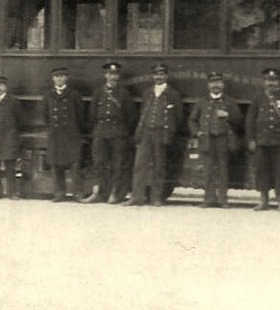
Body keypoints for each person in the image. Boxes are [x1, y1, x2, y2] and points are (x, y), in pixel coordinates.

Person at [127, 63, 184, 207]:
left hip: (161, 133)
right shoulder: (147, 93)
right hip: (146, 132)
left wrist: (168, 133)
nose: (158, 77)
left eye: (161, 74)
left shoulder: (173, 94)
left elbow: (178, 117)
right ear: (153, 76)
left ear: (166, 76)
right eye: (156, 74)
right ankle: (137, 197)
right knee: (140, 165)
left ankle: (156, 198)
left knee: (159, 166)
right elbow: (143, 113)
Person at [246, 68, 280, 212]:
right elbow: (250, 120)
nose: (271, 83)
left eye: (274, 80)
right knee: (262, 171)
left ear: (279, 82)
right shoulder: (258, 98)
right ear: (264, 82)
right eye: (269, 80)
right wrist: (251, 139)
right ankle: (263, 201)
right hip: (262, 141)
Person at [83, 62, 134, 204]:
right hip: (100, 131)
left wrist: (123, 131)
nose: (112, 77)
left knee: (118, 164)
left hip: (118, 132)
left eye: (115, 74)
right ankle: (97, 192)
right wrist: (95, 131)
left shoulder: (124, 93)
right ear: (105, 75)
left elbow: (131, 117)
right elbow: (92, 114)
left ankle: (115, 193)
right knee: (98, 163)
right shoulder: (99, 92)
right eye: (110, 74)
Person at [189, 72, 243, 208]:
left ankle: (223, 200)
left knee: (223, 170)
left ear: (223, 85)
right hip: (207, 140)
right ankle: (208, 199)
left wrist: (228, 115)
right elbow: (192, 120)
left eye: (218, 83)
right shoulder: (202, 102)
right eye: (213, 83)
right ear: (209, 85)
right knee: (208, 170)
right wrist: (197, 133)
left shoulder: (229, 102)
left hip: (223, 139)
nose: (216, 86)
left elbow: (239, 120)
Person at [44, 67, 85, 203]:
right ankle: (59, 193)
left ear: (66, 78)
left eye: (62, 76)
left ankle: (77, 192)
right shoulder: (48, 95)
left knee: (75, 165)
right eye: (56, 76)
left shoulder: (74, 95)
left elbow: (80, 115)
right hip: (55, 134)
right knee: (56, 165)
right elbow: (45, 116)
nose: (59, 79)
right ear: (53, 79)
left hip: (71, 135)